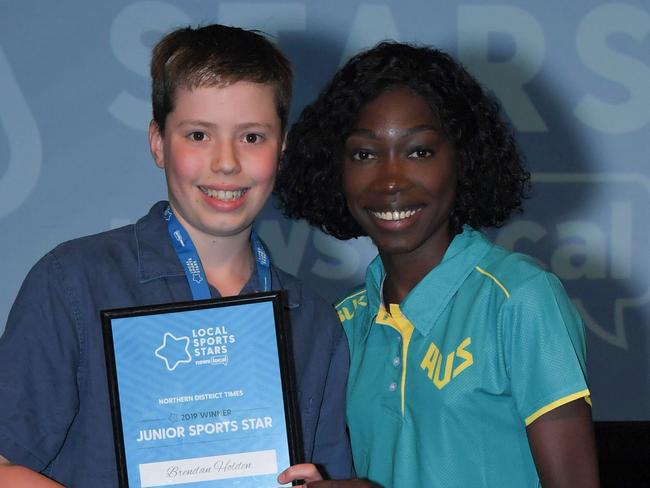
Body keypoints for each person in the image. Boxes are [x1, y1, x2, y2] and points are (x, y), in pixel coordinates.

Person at [0, 24, 353, 487]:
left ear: (282, 148)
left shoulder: (312, 321)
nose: (226, 162)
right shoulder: (73, 284)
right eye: (199, 135)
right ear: (158, 142)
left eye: (251, 137)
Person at [276, 42, 599, 487]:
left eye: (419, 152)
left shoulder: (519, 299)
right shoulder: (345, 323)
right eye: (364, 154)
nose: (390, 179)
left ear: (462, 160)